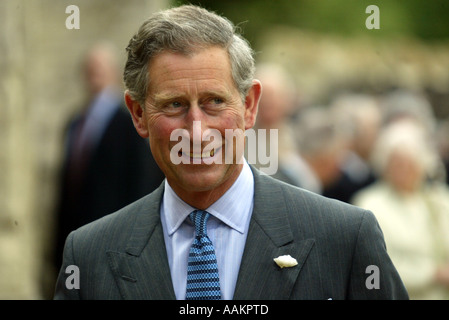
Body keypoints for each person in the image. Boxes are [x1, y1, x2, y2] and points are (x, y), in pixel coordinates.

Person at [54, 4, 408, 300]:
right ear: (138, 114)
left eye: (214, 102)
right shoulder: (89, 257)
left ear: (250, 106)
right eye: (175, 105)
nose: (196, 131)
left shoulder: (344, 239)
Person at [53, 43, 164, 273]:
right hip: (76, 240)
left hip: (114, 238)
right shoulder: (74, 123)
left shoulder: (130, 123)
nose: (95, 75)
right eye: (90, 69)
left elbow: (141, 181)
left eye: (100, 68)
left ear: (113, 73)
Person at [352, 119, 449, 299]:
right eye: (397, 164)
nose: (404, 170)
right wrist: (432, 274)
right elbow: (372, 265)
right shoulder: (370, 203)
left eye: (411, 163)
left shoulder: (440, 199)